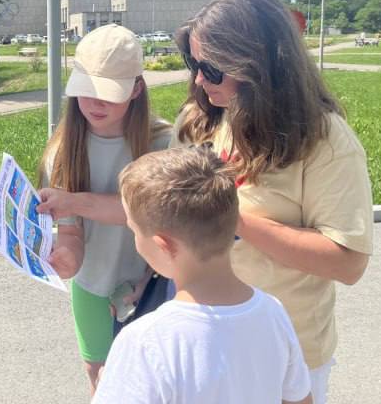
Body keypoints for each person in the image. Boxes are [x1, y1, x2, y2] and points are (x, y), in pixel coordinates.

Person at [171, 0, 373, 403]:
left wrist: (235, 219)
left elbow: (347, 262)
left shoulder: (327, 140)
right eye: (194, 63)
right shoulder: (213, 118)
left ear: (258, 65)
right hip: (210, 337)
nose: (197, 78)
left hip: (287, 355)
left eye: (210, 68)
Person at [93, 147, 313, 404]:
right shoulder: (273, 313)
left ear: (164, 246)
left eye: (135, 230)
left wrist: (105, 388)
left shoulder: (145, 341)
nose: (136, 241)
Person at [35, 23, 172, 392]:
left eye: (109, 94)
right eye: (87, 91)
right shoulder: (62, 151)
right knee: (102, 378)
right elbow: (71, 229)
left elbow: (149, 213)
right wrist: (67, 256)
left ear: (137, 90)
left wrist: (146, 281)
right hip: (91, 284)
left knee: (155, 384)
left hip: (155, 282)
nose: (95, 103)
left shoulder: (165, 142)